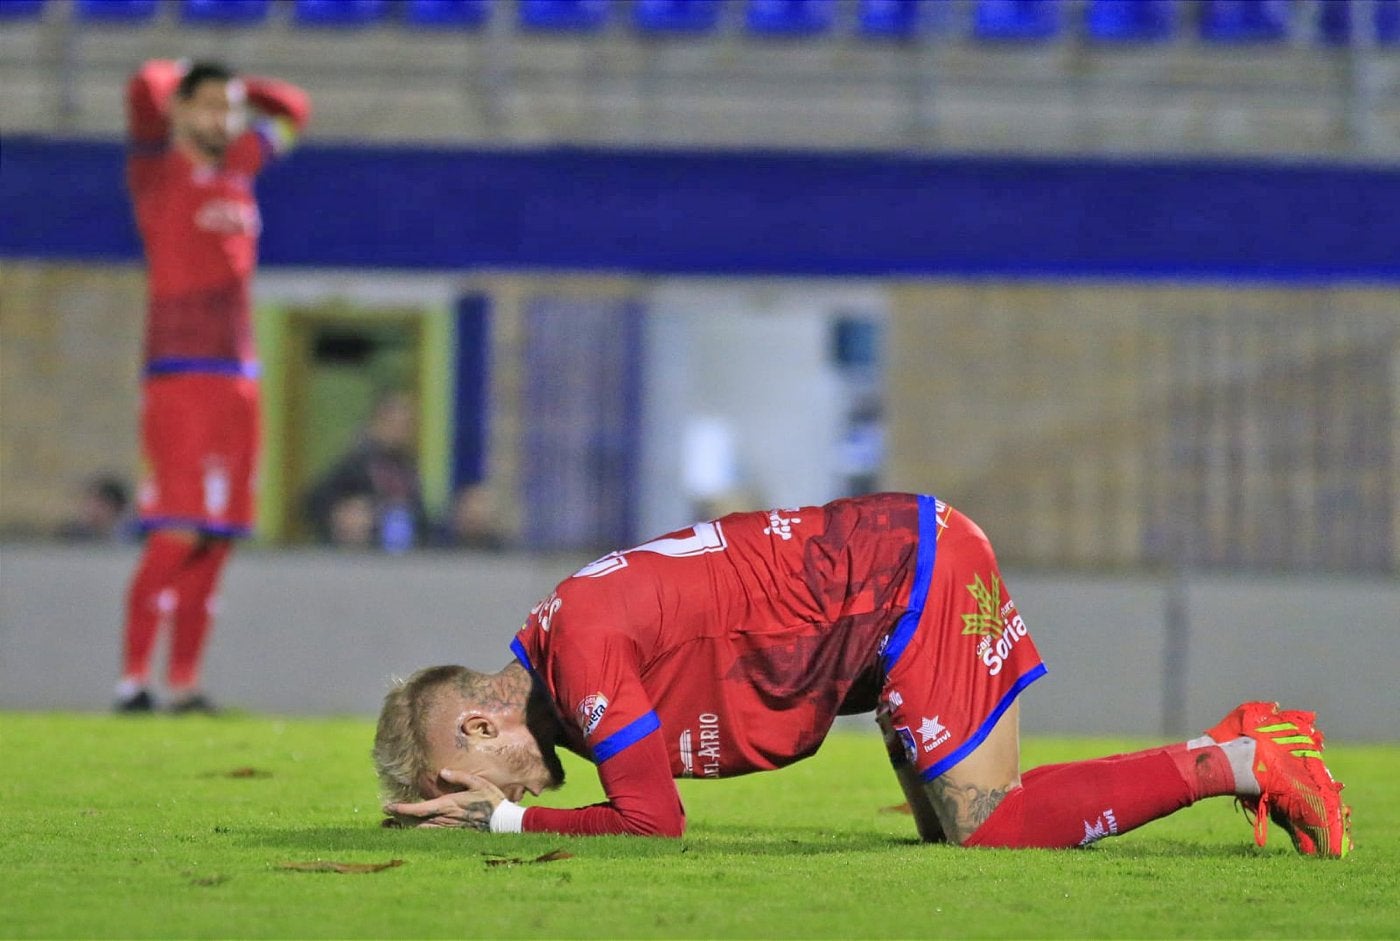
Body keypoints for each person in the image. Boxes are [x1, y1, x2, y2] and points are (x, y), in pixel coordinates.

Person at [373, 493, 1352, 857]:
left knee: (988, 827)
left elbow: (652, 821)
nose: (481, 800)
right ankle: (1235, 742)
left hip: (905, 583)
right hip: (887, 586)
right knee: (954, 827)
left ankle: (1240, 760)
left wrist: (504, 824)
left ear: (478, 729)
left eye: (457, 788)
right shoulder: (556, 650)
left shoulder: (577, 656)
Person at [116, 59, 311, 714]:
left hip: (239, 374)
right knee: (176, 529)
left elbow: (294, 108)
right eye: (207, 106)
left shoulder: (243, 165)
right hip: (180, 372)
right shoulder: (157, 170)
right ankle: (133, 681)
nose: (222, 119)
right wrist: (188, 78)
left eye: (228, 109)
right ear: (179, 110)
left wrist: (238, 86)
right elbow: (142, 85)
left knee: (219, 533)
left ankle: (185, 683)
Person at [304, 391, 430, 553]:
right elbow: (314, 502)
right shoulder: (355, 463)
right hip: (360, 555)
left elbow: (421, 515)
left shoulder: (407, 467)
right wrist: (342, 515)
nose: (400, 432)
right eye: (394, 423)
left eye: (406, 425)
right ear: (377, 422)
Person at [57, 475, 138, 543]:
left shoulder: (133, 536)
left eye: (99, 506)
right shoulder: (74, 534)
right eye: (88, 504)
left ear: (114, 508)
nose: (89, 510)